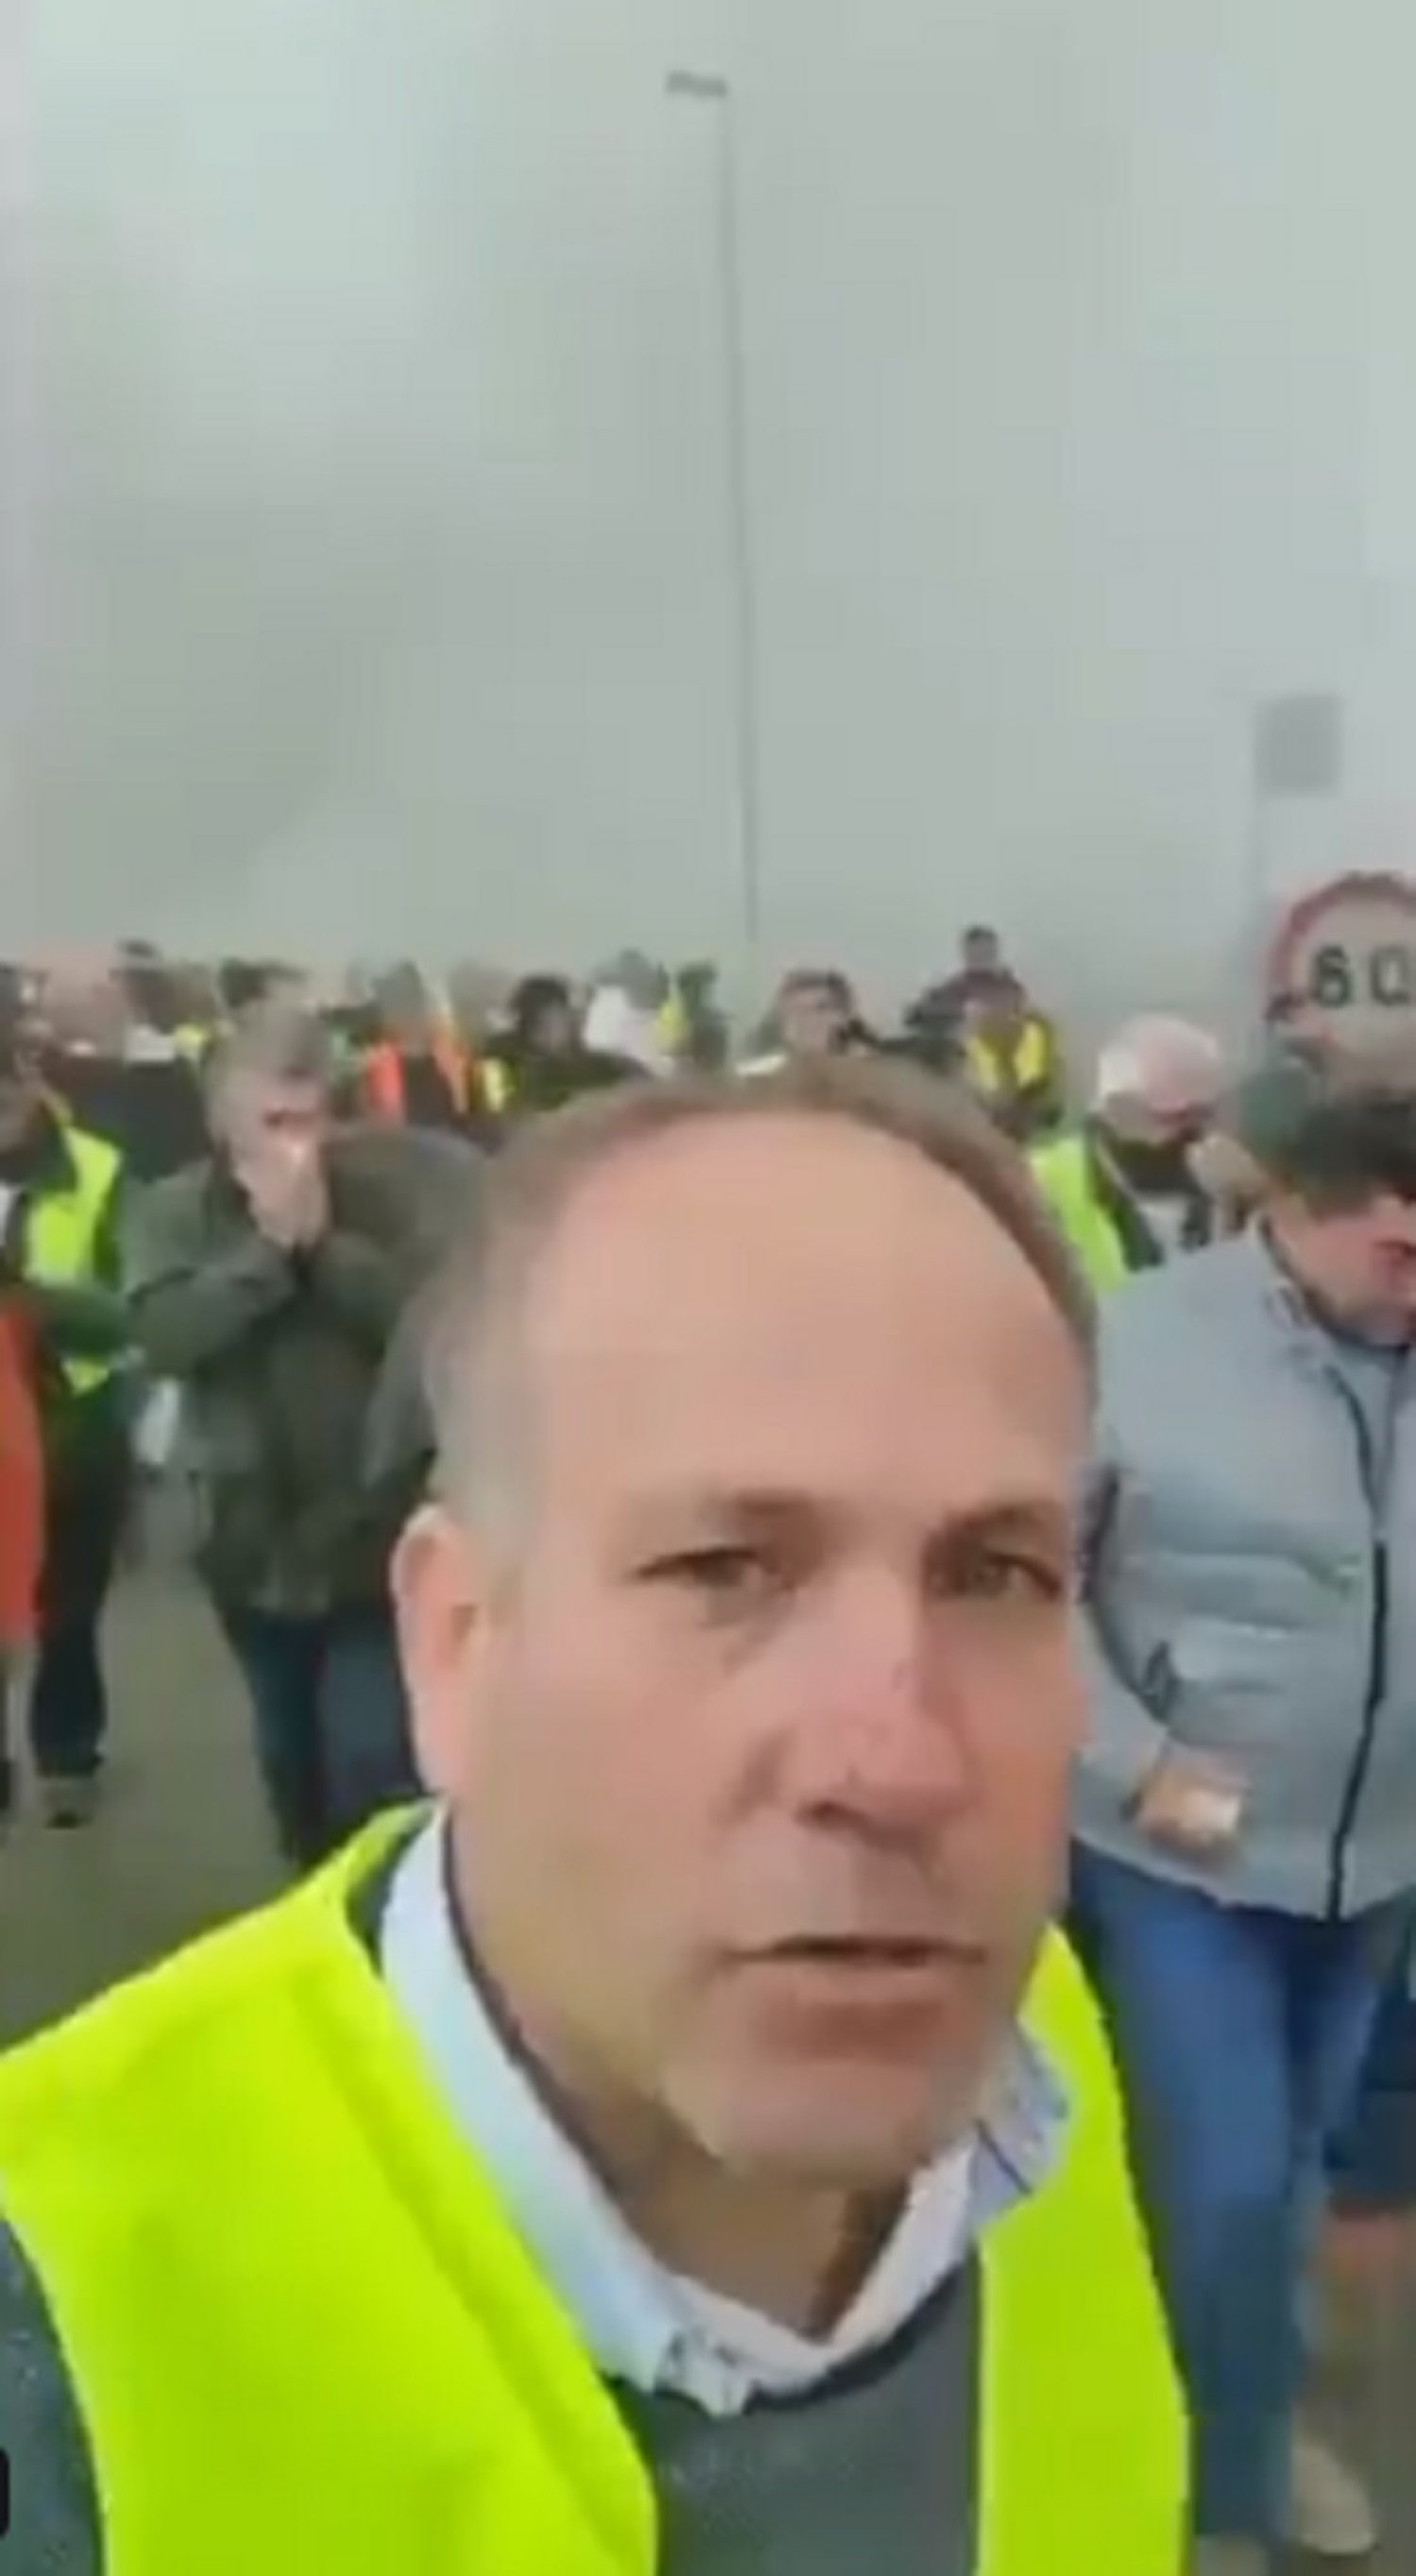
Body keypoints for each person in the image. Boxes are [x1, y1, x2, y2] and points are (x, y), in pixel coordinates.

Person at [0, 1061, 1185, 2574]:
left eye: (996, 1572)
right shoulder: (53, 2326)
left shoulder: (1043, 2043)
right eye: (722, 1569)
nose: (896, 1763)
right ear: (454, 1640)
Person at [1070, 1070, 1416, 2568]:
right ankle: (1220, 2501)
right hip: (1180, 1864)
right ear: (1295, 1212)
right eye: (1399, 1255)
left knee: (1291, 2176)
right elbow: (1026, 1588)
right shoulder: (1138, 1346)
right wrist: (1139, 1765)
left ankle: (1253, 2424)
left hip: (1381, 1859)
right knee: (1217, 2182)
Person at [123, 1001, 481, 1870]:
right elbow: (166, 1333)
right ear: (223, 1122)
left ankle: (382, 1923)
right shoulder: (175, 1213)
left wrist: (327, 1251)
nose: (297, 1145)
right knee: (290, 1759)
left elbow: (432, 1334)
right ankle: (312, 1905)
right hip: (247, 1541)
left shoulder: (398, 1192)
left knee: (372, 1764)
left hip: (370, 1535)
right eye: (273, 1122)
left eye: (311, 1118)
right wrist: (266, 1260)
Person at [0, 1025, 130, 1827]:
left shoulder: (98, 1169)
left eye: (6, 1091)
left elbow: (131, 1309)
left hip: (72, 1424)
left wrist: (31, 1299)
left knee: (69, 1610)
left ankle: (66, 1752)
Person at [1032, 1017, 1225, 1288]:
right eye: (1179, 1118)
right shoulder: (1035, 1189)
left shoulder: (1237, 1188)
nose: (1203, 1134)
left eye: (1209, 1115)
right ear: (1118, 1112)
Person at [480, 973, 635, 1118]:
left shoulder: (605, 1066)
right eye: (539, 1021)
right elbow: (495, 1112)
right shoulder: (500, 1057)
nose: (577, 1019)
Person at [961, 974, 1063, 1143]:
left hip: (1044, 1139)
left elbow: (1054, 1103)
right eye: (992, 1008)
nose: (1003, 1016)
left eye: (1010, 1008)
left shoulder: (1041, 1039)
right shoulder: (970, 1054)